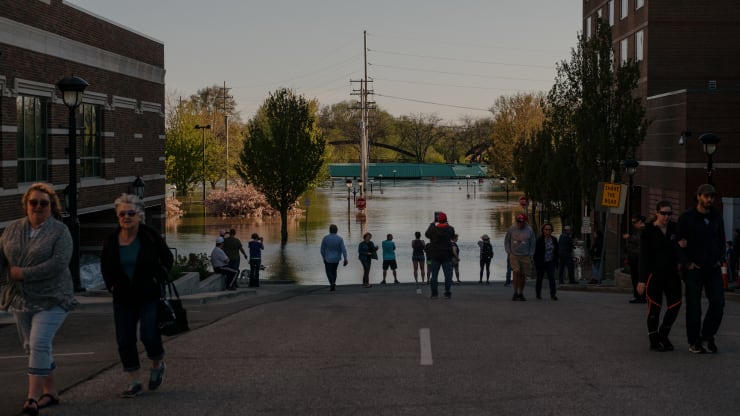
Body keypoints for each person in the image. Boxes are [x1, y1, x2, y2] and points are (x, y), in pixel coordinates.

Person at [0, 183, 78, 415]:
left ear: (52, 206)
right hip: (22, 298)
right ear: (26, 204)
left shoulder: (60, 231)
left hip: (54, 297)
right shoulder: (12, 229)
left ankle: (32, 397)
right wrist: (7, 275)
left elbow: (59, 263)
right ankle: (51, 391)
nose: (38, 206)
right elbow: (2, 258)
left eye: (44, 203)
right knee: (31, 346)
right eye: (33, 202)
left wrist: (25, 273)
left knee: (39, 343)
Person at [101, 193, 174, 398]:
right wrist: (111, 286)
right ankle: (133, 381)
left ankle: (157, 363)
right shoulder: (111, 241)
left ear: (139, 215)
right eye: (122, 214)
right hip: (122, 297)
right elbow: (105, 266)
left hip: (148, 295)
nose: (126, 217)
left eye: (130, 213)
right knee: (125, 339)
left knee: (148, 334)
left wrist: (159, 277)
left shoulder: (150, 236)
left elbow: (167, 258)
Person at [677, 184, 727, 354]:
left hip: (712, 268)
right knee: (693, 306)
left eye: (712, 197)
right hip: (693, 269)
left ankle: (707, 336)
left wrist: (720, 259)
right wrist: (687, 263)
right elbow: (678, 243)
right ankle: (694, 341)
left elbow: (722, 240)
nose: (709, 200)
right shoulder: (687, 217)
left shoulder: (716, 216)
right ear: (698, 196)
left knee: (718, 302)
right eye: (706, 196)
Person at [637, 200, 682, 352]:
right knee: (654, 308)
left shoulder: (675, 229)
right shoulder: (648, 230)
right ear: (657, 213)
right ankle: (654, 339)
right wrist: (641, 281)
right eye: (663, 213)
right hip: (654, 275)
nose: (666, 216)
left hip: (672, 275)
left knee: (676, 305)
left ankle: (664, 333)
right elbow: (643, 257)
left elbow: (683, 244)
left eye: (669, 213)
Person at [504, 213, 536, 301]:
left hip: (525, 255)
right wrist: (508, 251)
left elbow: (533, 243)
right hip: (514, 255)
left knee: (523, 275)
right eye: (518, 221)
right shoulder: (511, 229)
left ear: (525, 222)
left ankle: (520, 293)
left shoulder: (529, 230)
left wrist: (531, 254)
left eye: (521, 222)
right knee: (516, 271)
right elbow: (506, 241)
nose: (519, 223)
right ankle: (515, 292)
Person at [425, 211, 456, 298]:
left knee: (434, 275)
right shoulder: (450, 228)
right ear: (446, 219)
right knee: (448, 275)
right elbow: (453, 237)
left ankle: (434, 293)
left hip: (435, 254)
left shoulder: (433, 229)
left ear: (438, 219)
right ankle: (447, 292)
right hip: (447, 255)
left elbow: (427, 234)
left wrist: (432, 224)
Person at [534, 223, 560, 300]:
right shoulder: (539, 240)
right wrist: (537, 262)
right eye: (546, 229)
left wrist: (557, 260)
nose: (548, 231)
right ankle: (538, 294)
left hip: (550, 262)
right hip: (541, 262)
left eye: (549, 229)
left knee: (552, 278)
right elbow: (536, 252)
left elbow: (557, 251)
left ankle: (553, 295)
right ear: (543, 230)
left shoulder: (554, 239)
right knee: (539, 278)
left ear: (551, 230)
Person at [624, 215, 647, 303]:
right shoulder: (637, 231)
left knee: (637, 277)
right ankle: (638, 296)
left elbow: (639, 240)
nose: (633, 224)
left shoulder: (643, 230)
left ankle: (640, 296)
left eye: (634, 222)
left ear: (640, 221)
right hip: (634, 257)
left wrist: (629, 237)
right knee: (635, 278)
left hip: (638, 258)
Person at [320, 224, 348, 291]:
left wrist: (323, 257)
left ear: (329, 230)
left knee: (328, 271)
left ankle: (332, 283)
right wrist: (345, 258)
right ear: (336, 230)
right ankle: (333, 282)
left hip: (328, 258)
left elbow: (322, 249)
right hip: (336, 258)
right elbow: (343, 249)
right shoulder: (340, 239)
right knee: (334, 271)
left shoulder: (325, 238)